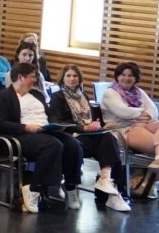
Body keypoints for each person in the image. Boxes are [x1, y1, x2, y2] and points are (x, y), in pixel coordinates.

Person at [0, 62, 80, 213]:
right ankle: (34, 189)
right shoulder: (4, 96)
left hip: (44, 130)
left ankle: (70, 187)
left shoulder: (37, 94)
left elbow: (50, 114)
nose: (35, 80)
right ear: (21, 77)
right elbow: (0, 123)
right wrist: (26, 127)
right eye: (32, 77)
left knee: (73, 144)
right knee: (52, 145)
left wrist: (54, 124)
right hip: (20, 135)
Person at [100, 62, 159, 206]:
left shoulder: (138, 92)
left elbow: (154, 110)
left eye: (130, 75)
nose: (126, 78)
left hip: (143, 125)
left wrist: (139, 114)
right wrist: (142, 112)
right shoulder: (110, 93)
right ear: (117, 76)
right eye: (123, 75)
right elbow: (123, 112)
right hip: (123, 129)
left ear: (136, 78)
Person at [49, 65, 129, 212]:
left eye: (75, 76)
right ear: (62, 78)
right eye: (68, 76)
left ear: (79, 78)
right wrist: (83, 128)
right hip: (69, 135)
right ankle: (71, 188)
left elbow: (89, 119)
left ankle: (107, 182)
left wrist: (95, 124)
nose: (72, 79)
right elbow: (57, 122)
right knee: (79, 146)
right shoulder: (57, 97)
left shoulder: (83, 96)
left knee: (109, 137)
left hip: (87, 134)